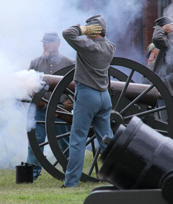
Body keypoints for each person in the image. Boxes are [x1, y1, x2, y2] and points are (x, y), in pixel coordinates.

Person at [61, 15, 115, 187]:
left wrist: (82, 29)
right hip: (104, 97)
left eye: (88, 29)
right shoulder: (110, 47)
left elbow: (67, 33)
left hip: (87, 95)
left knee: (77, 139)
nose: (85, 33)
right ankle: (117, 177)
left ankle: (70, 183)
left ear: (93, 30)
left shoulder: (89, 47)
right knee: (107, 141)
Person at [27, 32, 74, 180]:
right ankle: (32, 172)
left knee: (64, 142)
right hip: (40, 109)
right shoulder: (35, 63)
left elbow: (76, 86)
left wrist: (69, 103)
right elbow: (27, 85)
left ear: (57, 44)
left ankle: (70, 170)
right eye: (44, 42)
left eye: (48, 42)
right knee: (36, 140)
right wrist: (35, 98)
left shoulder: (69, 63)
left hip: (60, 110)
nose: (45, 45)